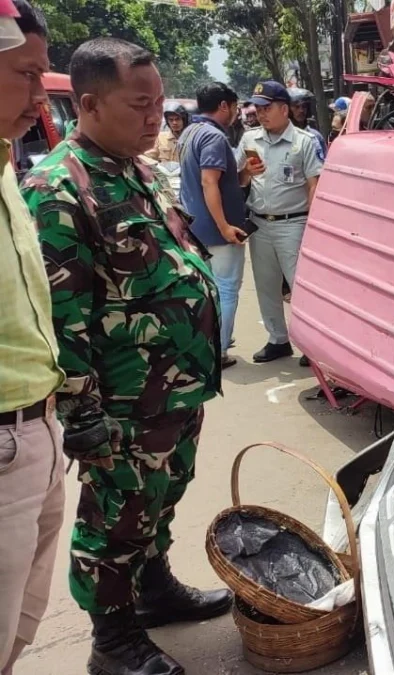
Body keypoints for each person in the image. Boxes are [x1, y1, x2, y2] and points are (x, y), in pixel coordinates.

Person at [22, 37, 231, 675]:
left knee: (160, 499)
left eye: (160, 103)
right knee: (114, 518)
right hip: (121, 401)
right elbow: (62, 318)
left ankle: (153, 591)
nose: (155, 119)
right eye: (140, 106)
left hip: (172, 390)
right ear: (88, 105)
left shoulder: (135, 170)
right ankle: (112, 639)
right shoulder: (59, 188)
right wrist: (84, 416)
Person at [0, 4, 66, 674]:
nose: (39, 93)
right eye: (26, 73)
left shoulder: (6, 169)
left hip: (38, 433)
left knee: (21, 617)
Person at [178, 81, 265, 369]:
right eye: (235, 106)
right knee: (226, 289)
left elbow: (220, 180)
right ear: (224, 106)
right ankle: (219, 350)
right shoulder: (214, 137)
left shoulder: (190, 132)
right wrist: (225, 226)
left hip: (196, 227)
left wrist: (244, 174)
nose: (237, 113)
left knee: (210, 290)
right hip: (216, 230)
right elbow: (208, 181)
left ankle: (210, 343)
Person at [241, 80, 322, 366]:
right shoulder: (250, 139)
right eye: (258, 108)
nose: (261, 114)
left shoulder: (304, 142)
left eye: (267, 108)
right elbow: (240, 181)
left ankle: (312, 345)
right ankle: (278, 340)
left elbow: (315, 184)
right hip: (260, 223)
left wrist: (313, 226)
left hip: (294, 223)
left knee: (300, 287)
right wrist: (246, 173)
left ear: (284, 109)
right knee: (266, 285)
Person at [287, 86, 328, 162]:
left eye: (304, 106)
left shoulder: (315, 136)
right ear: (288, 109)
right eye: (296, 107)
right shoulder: (284, 136)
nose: (301, 110)